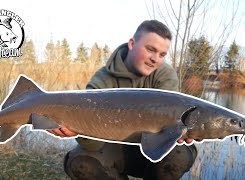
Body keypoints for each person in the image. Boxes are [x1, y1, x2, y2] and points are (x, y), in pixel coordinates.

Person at [48, 20, 198, 180]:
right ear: (132, 44)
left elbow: (169, 128)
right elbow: (93, 145)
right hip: (114, 151)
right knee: (81, 163)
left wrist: (188, 129)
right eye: (150, 49)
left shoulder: (165, 75)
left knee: (178, 155)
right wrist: (78, 129)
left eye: (162, 54)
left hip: (153, 151)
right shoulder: (102, 80)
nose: (155, 59)